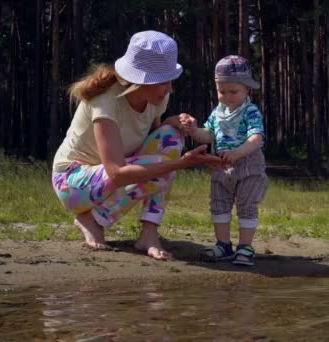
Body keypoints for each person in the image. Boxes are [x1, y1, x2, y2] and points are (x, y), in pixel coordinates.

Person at [51, 31, 223, 260]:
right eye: (165, 81)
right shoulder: (106, 104)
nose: (170, 89)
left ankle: (149, 234)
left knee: (171, 135)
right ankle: (91, 219)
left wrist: (173, 123)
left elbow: (147, 141)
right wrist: (180, 164)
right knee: (164, 165)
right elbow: (118, 173)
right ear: (143, 81)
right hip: (72, 183)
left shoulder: (157, 100)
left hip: (111, 174)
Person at [184, 55, 267, 266]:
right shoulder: (218, 112)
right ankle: (223, 245)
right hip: (221, 164)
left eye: (234, 92)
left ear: (247, 89)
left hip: (248, 164)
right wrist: (193, 131)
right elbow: (208, 135)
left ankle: (245, 247)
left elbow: (256, 138)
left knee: (247, 204)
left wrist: (238, 152)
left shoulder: (250, 111)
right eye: (222, 92)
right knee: (219, 203)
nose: (227, 96)